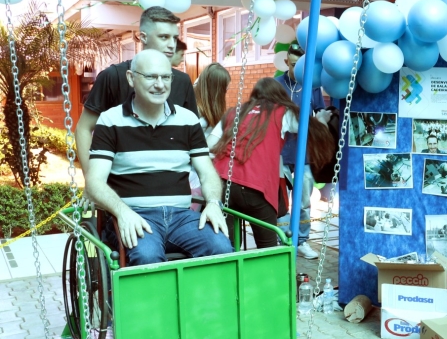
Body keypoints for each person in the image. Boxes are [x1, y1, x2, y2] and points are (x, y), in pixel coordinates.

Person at [85, 50, 232, 266]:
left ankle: (202, 300)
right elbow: (94, 181)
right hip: (136, 215)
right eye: (151, 77)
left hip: (182, 217)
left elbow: (207, 171)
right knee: (147, 257)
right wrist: (122, 212)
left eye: (165, 77)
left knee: (221, 247)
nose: (160, 84)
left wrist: (212, 203)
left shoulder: (187, 119)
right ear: (131, 78)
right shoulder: (110, 121)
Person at [210, 77, 335, 249]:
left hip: (223, 184)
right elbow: (313, 132)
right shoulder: (281, 111)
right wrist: (322, 119)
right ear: (279, 95)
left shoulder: (233, 112)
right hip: (256, 187)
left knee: (227, 247)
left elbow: (209, 145)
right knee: (267, 249)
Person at [76, 6, 198, 172]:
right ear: (143, 37)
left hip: (170, 186)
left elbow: (192, 135)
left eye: (174, 38)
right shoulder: (113, 76)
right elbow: (84, 129)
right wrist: (91, 181)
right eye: (164, 37)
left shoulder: (183, 81)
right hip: (119, 187)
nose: (171, 45)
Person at [276, 43, 327, 259]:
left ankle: (303, 241)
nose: (297, 70)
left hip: (304, 153)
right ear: (286, 62)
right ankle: (284, 240)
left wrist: (320, 123)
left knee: (304, 200)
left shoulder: (312, 85)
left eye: (301, 66)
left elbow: (322, 112)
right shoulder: (276, 84)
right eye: (294, 64)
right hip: (280, 152)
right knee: (280, 201)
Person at [189, 63, 230, 209]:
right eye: (225, 87)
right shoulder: (198, 113)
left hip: (197, 173)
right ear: (216, 88)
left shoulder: (200, 103)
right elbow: (198, 146)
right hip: (193, 176)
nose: (226, 91)